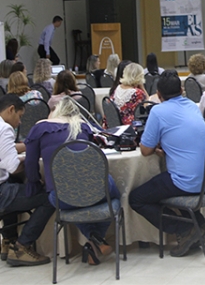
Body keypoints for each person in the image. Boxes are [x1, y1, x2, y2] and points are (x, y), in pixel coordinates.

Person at [24, 97, 119, 265]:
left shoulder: (39, 128)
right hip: (95, 191)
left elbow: (30, 165)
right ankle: (96, 239)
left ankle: (94, 240)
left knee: (71, 196)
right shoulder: (82, 126)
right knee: (113, 196)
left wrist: (35, 184)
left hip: (62, 197)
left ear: (53, 111)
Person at [129, 70, 205, 257]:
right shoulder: (192, 105)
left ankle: (186, 228)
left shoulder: (158, 111)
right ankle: (199, 225)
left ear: (158, 95)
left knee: (137, 198)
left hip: (186, 181)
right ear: (182, 90)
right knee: (162, 184)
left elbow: (145, 150)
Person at [0, 94, 54, 266]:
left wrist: (31, 144)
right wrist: (29, 158)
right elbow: (13, 167)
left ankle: (8, 240)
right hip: (2, 193)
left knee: (16, 184)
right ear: (11, 110)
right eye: (20, 116)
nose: (20, 122)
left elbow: (8, 148)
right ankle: (22, 247)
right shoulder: (5, 129)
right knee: (50, 198)